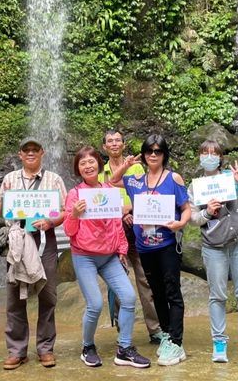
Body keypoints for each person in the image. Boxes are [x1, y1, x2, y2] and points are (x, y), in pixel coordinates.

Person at [64, 146, 151, 369]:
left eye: (91, 161)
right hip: (84, 256)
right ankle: (87, 347)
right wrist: (74, 214)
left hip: (110, 256)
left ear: (98, 164)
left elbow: (116, 225)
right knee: (94, 304)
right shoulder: (75, 195)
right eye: (83, 163)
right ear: (78, 169)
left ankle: (124, 349)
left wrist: (122, 250)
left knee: (129, 298)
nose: (88, 166)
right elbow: (69, 231)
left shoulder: (109, 190)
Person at [110, 134, 190, 366]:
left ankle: (176, 341)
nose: (153, 155)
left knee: (172, 291)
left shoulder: (173, 178)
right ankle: (166, 334)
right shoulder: (136, 180)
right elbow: (113, 182)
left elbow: (185, 208)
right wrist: (125, 165)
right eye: (149, 152)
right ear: (143, 156)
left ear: (164, 154)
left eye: (157, 151)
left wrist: (181, 223)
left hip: (167, 244)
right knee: (156, 292)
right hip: (145, 246)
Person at [0, 137, 67, 370]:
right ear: (20, 154)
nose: (31, 153)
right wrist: (6, 201)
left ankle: (45, 348)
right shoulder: (9, 179)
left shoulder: (54, 179)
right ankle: (17, 350)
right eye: (27, 150)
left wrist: (50, 221)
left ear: (42, 152)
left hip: (45, 239)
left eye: (35, 149)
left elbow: (64, 211)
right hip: (17, 239)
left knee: (47, 294)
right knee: (15, 295)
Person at [187, 140, 238, 363]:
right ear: (199, 157)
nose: (209, 156)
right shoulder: (195, 187)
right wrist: (207, 212)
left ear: (220, 157)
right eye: (205, 152)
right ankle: (219, 343)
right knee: (217, 296)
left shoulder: (231, 178)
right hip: (213, 247)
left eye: (214, 153)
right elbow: (193, 220)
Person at [98, 129, 163, 345]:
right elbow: (98, 201)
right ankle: (123, 330)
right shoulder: (100, 172)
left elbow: (146, 194)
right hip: (113, 231)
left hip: (139, 227)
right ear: (105, 147)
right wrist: (121, 213)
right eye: (110, 141)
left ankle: (155, 329)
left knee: (145, 278)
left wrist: (130, 211)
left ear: (124, 145)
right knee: (117, 280)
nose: (114, 144)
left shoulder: (136, 167)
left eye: (118, 140)